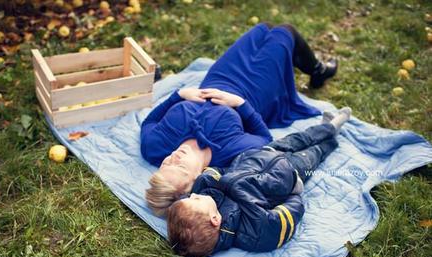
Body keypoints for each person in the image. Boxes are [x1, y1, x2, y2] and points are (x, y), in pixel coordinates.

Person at [141, 23, 339, 216]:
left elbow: (149, 122)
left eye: (166, 164)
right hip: (252, 94)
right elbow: (264, 138)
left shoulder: (154, 147)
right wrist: (239, 104)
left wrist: (179, 95)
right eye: (180, 167)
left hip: (218, 77)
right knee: (285, 32)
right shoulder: (227, 154)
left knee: (263, 29)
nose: (174, 157)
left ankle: (315, 69)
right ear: (196, 180)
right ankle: (318, 71)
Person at [166, 108, 351, 257]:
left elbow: (213, 174)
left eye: (191, 197)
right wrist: (294, 194)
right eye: (195, 199)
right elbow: (286, 218)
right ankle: (331, 138)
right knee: (314, 153)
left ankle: (329, 126)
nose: (194, 194)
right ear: (215, 220)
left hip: (260, 155)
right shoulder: (254, 232)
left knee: (300, 138)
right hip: (290, 173)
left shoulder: (206, 192)